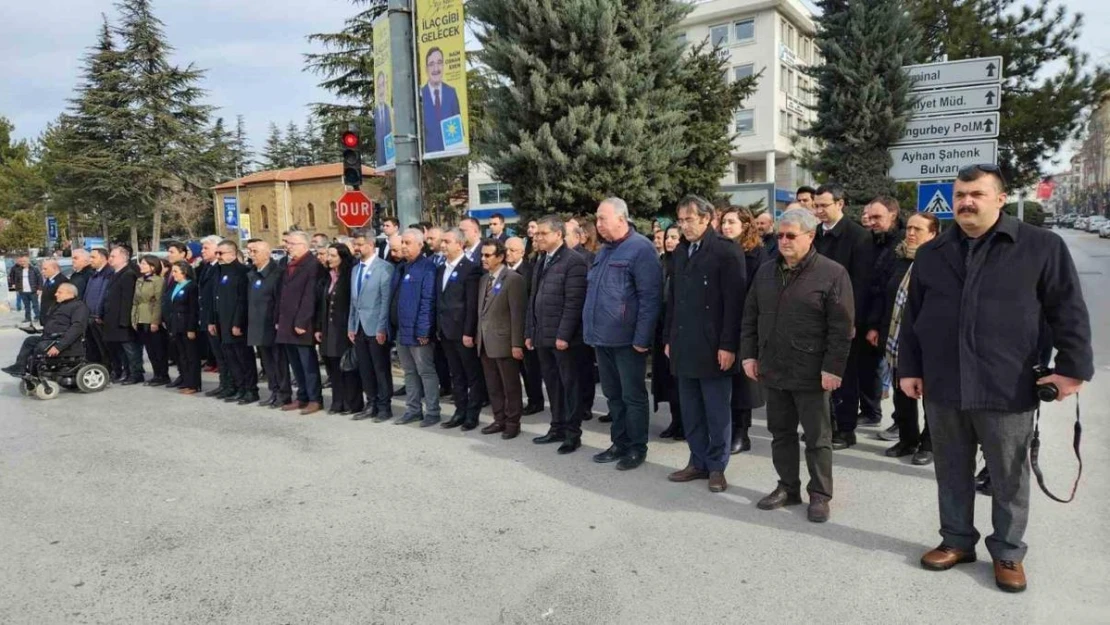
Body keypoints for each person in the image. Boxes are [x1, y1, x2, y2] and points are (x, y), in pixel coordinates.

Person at [898, 165, 1094, 593]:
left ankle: (1007, 551)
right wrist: (909, 367)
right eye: (960, 194)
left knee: (1008, 475)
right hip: (944, 383)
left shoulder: (1040, 246)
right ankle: (956, 541)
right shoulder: (934, 251)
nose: (966, 202)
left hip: (1006, 384)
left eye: (976, 194)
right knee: (951, 469)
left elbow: (1069, 311)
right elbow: (915, 316)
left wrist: (1072, 370)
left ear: (1001, 198)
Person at [741, 208, 854, 523]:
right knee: (781, 433)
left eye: (791, 235)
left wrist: (833, 368)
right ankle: (787, 488)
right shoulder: (765, 272)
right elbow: (750, 316)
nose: (784, 241)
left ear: (810, 235)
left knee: (818, 438)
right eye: (780, 235)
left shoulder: (832, 273)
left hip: (812, 372)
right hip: (774, 368)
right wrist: (749, 355)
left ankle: (819, 494)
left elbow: (842, 328)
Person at [665, 196, 746, 493]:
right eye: (680, 220)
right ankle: (697, 461)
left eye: (689, 219)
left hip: (714, 347)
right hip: (685, 344)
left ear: (706, 219)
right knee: (691, 410)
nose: (683, 225)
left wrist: (728, 345)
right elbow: (674, 300)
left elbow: (734, 304)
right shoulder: (681, 252)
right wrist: (669, 338)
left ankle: (716, 467)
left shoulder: (726, 251)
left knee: (716, 411)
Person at [583, 197, 663, 471]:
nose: (598, 224)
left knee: (633, 396)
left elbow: (650, 298)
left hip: (628, 340)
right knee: (612, 396)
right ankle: (619, 442)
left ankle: (636, 447)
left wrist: (642, 339)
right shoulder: (604, 250)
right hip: (601, 337)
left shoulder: (641, 249)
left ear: (621, 218)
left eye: (602, 218)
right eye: (596, 219)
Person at [862, 212, 939, 464]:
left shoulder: (939, 262)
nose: (911, 233)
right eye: (909, 228)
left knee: (930, 396)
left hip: (927, 342)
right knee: (901, 393)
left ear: (933, 234)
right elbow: (881, 294)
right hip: (896, 338)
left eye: (918, 229)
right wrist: (874, 326)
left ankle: (929, 444)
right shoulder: (898, 258)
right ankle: (907, 439)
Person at [813, 183, 875, 450]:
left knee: (844, 377)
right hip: (815, 319)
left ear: (840, 204)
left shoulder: (858, 237)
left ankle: (846, 429)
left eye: (824, 205)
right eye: (815, 206)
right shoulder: (814, 234)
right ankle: (823, 427)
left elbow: (861, 284)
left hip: (843, 320)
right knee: (818, 376)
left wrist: (851, 321)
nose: (819, 211)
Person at [526, 216, 588, 454]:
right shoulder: (541, 260)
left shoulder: (574, 261)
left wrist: (563, 335)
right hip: (543, 335)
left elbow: (574, 302)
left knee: (569, 385)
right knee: (552, 384)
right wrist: (530, 331)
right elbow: (534, 299)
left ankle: (573, 433)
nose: (537, 237)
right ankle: (557, 427)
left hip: (564, 340)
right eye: (537, 233)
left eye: (543, 233)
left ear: (558, 235)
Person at [719, 206, 769, 453]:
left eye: (731, 222)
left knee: (742, 382)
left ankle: (742, 433)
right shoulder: (720, 251)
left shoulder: (756, 254)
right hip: (721, 322)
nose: (726, 227)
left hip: (745, 323)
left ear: (745, 226)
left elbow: (758, 291)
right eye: (724, 222)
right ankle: (725, 429)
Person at [476, 239, 527, 440]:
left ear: (500, 257)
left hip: (505, 343)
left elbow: (518, 314)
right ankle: (499, 419)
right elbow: (481, 312)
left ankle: (513, 422)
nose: (483, 259)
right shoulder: (484, 280)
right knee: (493, 385)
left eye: (487, 255)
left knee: (510, 386)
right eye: (482, 255)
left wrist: (517, 343)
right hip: (485, 342)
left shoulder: (513, 279)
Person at [435, 228, 486, 430]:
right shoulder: (441, 269)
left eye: (447, 241)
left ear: (459, 244)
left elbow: (471, 305)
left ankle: (472, 415)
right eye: (442, 242)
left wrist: (468, 332)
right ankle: (460, 411)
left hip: (463, 333)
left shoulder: (471, 268)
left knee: (471, 375)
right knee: (456, 375)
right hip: (446, 332)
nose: (443, 245)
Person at [390, 228, 440, 426]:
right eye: (402, 242)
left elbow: (428, 300)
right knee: (409, 372)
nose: (403, 246)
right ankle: (413, 410)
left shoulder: (427, 268)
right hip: (401, 330)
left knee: (425, 372)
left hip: (418, 332)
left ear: (420, 245)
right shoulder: (402, 267)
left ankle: (433, 411)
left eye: (408, 243)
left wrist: (423, 330)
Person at [348, 229, 396, 422]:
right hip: (359, 327)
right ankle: (372, 403)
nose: (356, 248)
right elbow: (354, 301)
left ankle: (384, 406)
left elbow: (385, 301)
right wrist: (351, 326)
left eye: (359, 244)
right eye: (355, 244)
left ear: (370, 245)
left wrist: (382, 328)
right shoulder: (355, 269)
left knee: (380, 368)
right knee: (365, 368)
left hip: (376, 327)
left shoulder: (384, 268)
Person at [276, 231, 324, 415]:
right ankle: (302, 396)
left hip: (301, 324)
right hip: (287, 322)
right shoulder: (289, 265)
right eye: (286, 242)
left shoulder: (312, 265)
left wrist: (302, 321)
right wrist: (278, 320)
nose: (287, 246)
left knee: (308, 363)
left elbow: (310, 296)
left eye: (291, 243)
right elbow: (282, 295)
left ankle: (314, 398)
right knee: (295, 364)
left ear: (303, 245)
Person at [315, 243, 363, 415]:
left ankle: (352, 402)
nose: (329, 259)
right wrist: (319, 327)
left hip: (344, 327)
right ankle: (338, 401)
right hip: (329, 328)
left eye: (333, 256)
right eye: (328, 255)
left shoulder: (349, 275)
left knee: (347, 367)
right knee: (332, 365)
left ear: (342, 257)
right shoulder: (328, 277)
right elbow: (322, 304)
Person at [3, 284, 88, 377]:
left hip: (63, 342)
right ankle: (19, 367)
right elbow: (54, 324)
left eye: (59, 292)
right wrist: (36, 330)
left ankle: (35, 373)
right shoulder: (59, 305)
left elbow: (77, 328)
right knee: (30, 340)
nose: (56, 294)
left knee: (40, 346)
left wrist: (59, 347)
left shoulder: (79, 306)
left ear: (70, 293)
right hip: (50, 338)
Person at [246, 239, 291, 408]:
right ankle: (274, 390)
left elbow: (280, 301)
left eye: (254, 251)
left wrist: (278, 321)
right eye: (249, 251)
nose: (251, 255)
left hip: (272, 324)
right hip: (258, 324)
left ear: (266, 253)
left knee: (279, 361)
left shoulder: (277, 273)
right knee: (267, 362)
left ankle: (283, 393)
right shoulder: (252, 274)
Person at [210, 240, 256, 404]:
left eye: (220, 253)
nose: (218, 257)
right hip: (222, 322)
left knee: (243, 358)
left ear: (232, 253)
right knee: (231, 358)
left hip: (235, 323)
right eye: (217, 253)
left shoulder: (242, 271)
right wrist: (213, 321)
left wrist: (237, 323)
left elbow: (242, 300)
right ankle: (239, 387)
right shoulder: (220, 270)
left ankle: (251, 390)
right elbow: (216, 298)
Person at [653, 224, 684, 441]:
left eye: (674, 237)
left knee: (681, 383)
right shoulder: (662, 262)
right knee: (668, 382)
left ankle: (685, 424)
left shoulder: (685, 261)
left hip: (679, 330)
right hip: (661, 328)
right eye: (667, 237)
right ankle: (675, 421)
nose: (670, 241)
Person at [507, 236, 544, 415]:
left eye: (513, 250)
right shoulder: (503, 271)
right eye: (506, 250)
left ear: (522, 252)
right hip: (508, 328)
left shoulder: (528, 271)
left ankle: (535, 400)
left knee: (530, 370)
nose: (509, 253)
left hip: (525, 327)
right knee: (515, 369)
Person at [103, 246, 144, 385]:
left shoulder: (128, 274)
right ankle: (127, 372)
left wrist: (125, 320)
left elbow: (128, 300)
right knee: (121, 350)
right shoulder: (115, 273)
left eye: (113, 256)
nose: (110, 259)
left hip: (123, 320)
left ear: (123, 258)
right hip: (113, 319)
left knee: (130, 349)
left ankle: (136, 373)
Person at [197, 236, 231, 393]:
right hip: (209, 317)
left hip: (219, 318)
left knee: (225, 355)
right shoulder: (208, 267)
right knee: (219, 355)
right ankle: (224, 384)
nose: (202, 251)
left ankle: (230, 384)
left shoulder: (221, 268)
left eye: (206, 248)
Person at [132, 255, 170, 386]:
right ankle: (156, 374)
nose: (140, 266)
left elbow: (158, 301)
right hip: (141, 317)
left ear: (152, 266)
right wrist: (134, 318)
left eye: (144, 264)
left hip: (152, 316)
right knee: (149, 349)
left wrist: (155, 321)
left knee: (158, 349)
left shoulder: (158, 281)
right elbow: (135, 301)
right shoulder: (139, 280)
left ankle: (163, 375)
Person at [166, 261, 202, 395]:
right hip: (176, 325)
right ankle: (186, 381)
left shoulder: (191, 286)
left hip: (187, 325)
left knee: (191, 356)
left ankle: (194, 384)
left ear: (184, 272)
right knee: (182, 356)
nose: (173, 274)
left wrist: (191, 328)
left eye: (175, 271)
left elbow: (193, 309)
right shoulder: (176, 285)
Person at [420, 47, 462, 153]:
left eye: (439, 63)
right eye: (431, 64)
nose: (436, 69)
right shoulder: (420, 95)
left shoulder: (451, 93)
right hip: (428, 161)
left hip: (451, 157)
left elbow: (459, 128)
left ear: (443, 65)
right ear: (426, 69)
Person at [82, 248, 112, 367]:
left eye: (93, 257)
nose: (90, 260)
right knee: (94, 347)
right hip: (90, 317)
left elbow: (104, 296)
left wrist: (99, 314)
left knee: (104, 347)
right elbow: (87, 295)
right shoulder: (94, 274)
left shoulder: (108, 274)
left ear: (103, 258)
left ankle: (108, 368)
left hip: (98, 318)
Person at [11, 254, 43, 324]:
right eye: (22, 261)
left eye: (24, 261)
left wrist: (40, 289)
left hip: (33, 291)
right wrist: (17, 290)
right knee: (26, 306)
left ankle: (37, 317)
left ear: (28, 261)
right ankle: (28, 318)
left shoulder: (35, 269)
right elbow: (17, 280)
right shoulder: (18, 270)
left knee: (35, 305)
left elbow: (40, 279)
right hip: (23, 291)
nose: (23, 263)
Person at [374, 71, 392, 162]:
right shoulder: (375, 112)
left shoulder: (391, 110)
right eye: (378, 87)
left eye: (383, 85)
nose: (381, 90)